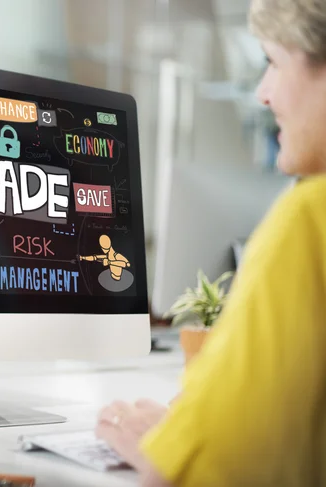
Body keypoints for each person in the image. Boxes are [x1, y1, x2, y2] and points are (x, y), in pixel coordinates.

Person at [95, 0, 326, 485]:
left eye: (273, 62)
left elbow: (214, 469)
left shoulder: (308, 219)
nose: (263, 93)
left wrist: (165, 444)